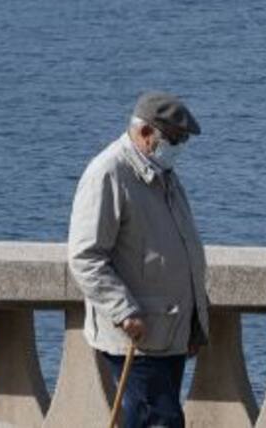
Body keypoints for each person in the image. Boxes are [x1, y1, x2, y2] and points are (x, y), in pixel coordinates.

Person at [68, 92, 208, 428]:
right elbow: (85, 256)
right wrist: (124, 310)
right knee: (158, 422)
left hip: (169, 331)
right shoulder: (109, 173)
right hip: (138, 335)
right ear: (146, 133)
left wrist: (195, 319)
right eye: (175, 139)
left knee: (156, 420)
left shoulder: (163, 174)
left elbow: (179, 249)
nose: (180, 147)